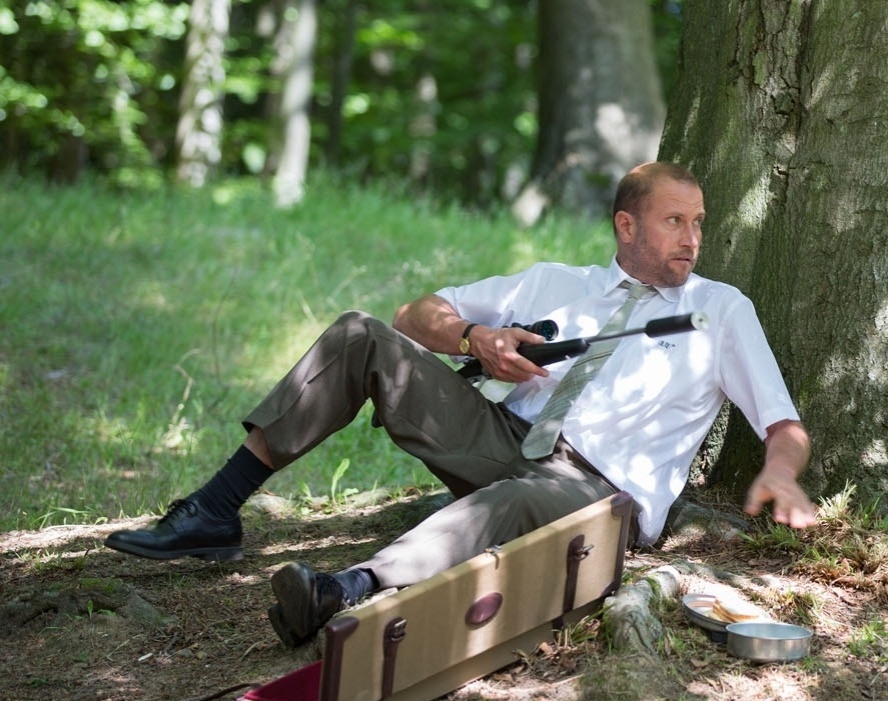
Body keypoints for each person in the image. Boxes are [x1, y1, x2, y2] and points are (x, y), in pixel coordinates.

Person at [105, 161, 817, 648]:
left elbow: (782, 424)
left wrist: (781, 473)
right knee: (359, 336)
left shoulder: (721, 310)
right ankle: (213, 510)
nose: (692, 239)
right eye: (674, 221)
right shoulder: (554, 282)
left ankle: (346, 590)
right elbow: (415, 314)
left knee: (510, 502)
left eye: (698, 222)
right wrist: (475, 339)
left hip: (600, 493)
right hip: (502, 437)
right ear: (626, 227)